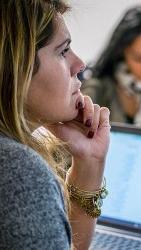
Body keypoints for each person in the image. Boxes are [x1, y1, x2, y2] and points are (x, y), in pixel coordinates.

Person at [0, 1, 110, 249]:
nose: (80, 64)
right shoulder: (18, 172)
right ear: (16, 67)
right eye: (63, 51)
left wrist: (90, 162)